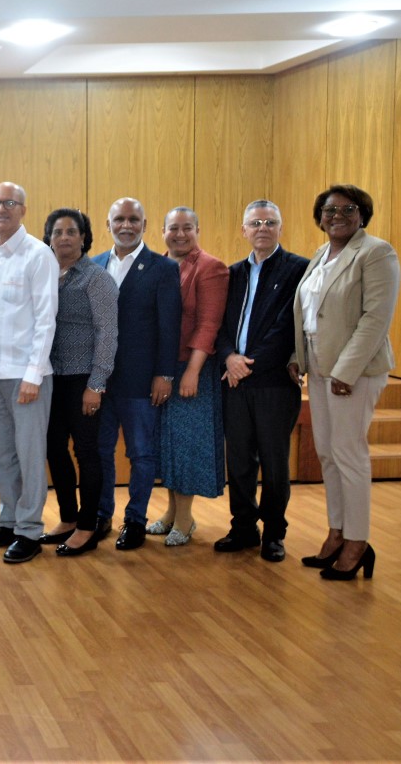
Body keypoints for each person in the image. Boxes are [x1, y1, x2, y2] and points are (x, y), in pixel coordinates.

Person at [291, 184, 399, 581]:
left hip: (353, 372)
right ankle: (336, 531)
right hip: (318, 368)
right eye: (329, 209)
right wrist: (297, 358)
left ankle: (358, 541)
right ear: (319, 216)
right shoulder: (321, 254)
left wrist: (345, 372)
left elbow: (375, 320)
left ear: (362, 214)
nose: (337, 215)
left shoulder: (376, 252)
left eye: (347, 209)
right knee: (328, 453)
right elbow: (308, 313)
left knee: (349, 454)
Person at [213, 200, 308, 562]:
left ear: (280, 228)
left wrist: (246, 363)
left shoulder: (299, 269)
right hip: (234, 382)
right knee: (238, 461)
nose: (262, 228)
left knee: (274, 461)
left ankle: (274, 533)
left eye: (270, 222)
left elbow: (287, 328)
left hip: (273, 383)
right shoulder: (232, 273)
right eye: (255, 223)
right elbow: (219, 324)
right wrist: (228, 358)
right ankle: (243, 527)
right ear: (244, 230)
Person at [0, 182, 59, 565]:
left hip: (27, 378)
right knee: (0, 455)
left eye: (9, 203)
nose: (1, 209)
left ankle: (29, 529)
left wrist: (33, 374)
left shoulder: (38, 255)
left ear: (23, 209)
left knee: (29, 453)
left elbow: (45, 320)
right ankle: (8, 519)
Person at [90, 198, 182, 551]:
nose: (125, 225)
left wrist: (165, 374)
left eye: (133, 220)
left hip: (142, 380)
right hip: (99, 380)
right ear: (108, 223)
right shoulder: (94, 265)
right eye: (119, 219)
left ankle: (135, 519)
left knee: (141, 454)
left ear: (145, 225)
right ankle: (101, 516)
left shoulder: (162, 268)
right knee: (100, 452)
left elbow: (169, 327)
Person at [40, 208, 118, 557]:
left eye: (72, 231)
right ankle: (68, 518)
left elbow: (108, 332)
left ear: (84, 238)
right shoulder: (44, 275)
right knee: (53, 448)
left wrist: (96, 383)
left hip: (83, 378)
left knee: (86, 452)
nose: (64, 238)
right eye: (57, 232)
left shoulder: (96, 278)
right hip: (48, 378)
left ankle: (88, 526)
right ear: (49, 238)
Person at [150, 207, 229, 546]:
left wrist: (193, 371)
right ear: (163, 231)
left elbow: (209, 324)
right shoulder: (158, 265)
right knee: (166, 446)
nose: (179, 234)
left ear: (198, 229)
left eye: (187, 228)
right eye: (173, 228)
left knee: (185, 445)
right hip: (161, 370)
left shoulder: (211, 268)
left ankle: (185, 518)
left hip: (191, 368)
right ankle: (170, 513)